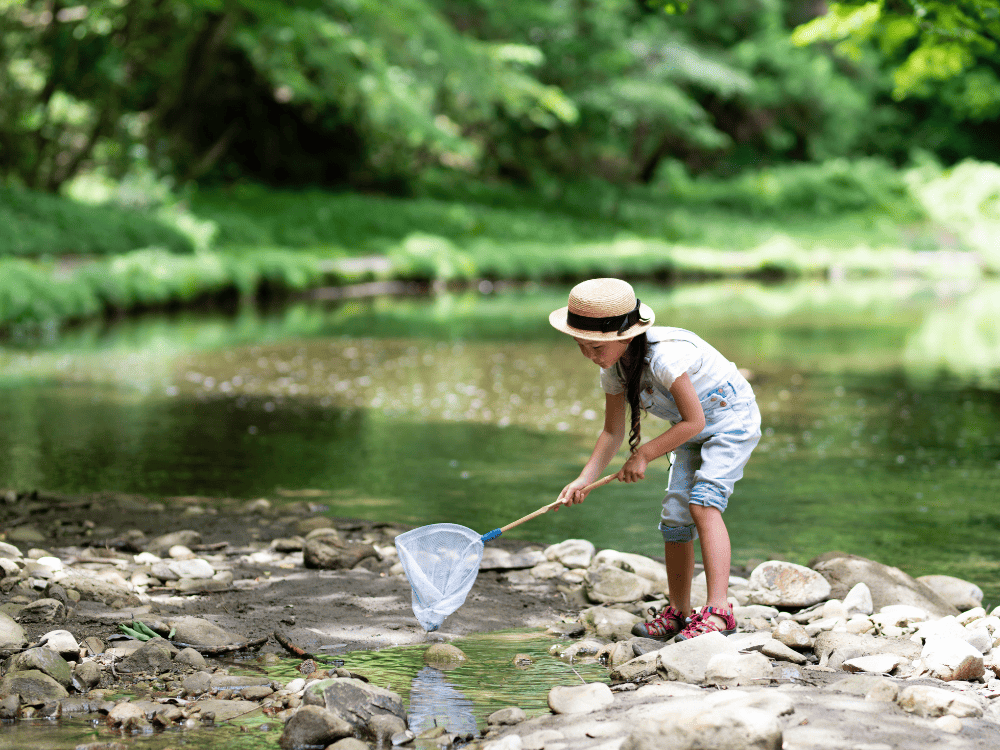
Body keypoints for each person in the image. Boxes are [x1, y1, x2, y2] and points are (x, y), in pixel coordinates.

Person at [549, 278, 761, 641]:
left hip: (730, 422)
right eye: (580, 346)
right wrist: (584, 478)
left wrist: (645, 453)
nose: (590, 355)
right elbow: (612, 433)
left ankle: (719, 611)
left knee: (704, 504)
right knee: (675, 515)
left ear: (625, 335)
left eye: (597, 346)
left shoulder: (666, 357)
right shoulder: (612, 370)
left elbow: (697, 420)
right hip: (688, 430)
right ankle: (678, 611)